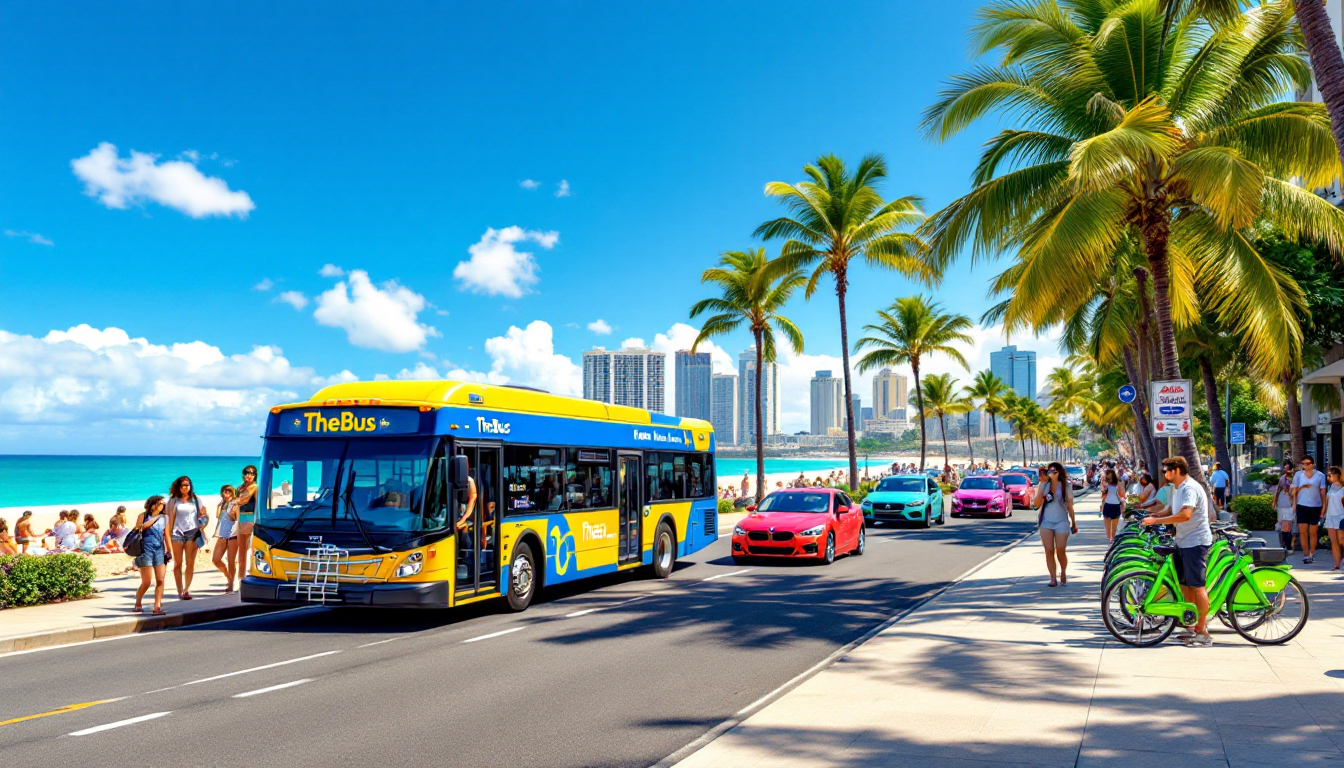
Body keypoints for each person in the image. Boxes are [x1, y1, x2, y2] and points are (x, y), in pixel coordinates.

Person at [1142, 456, 1214, 647]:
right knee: (1185, 584)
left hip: (1195, 542)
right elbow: (1171, 509)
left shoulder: (1189, 488)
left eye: (1166, 471)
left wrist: (1157, 522)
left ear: (1176, 471)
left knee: (1197, 586)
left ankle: (1202, 630)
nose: (1164, 474)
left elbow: (1185, 514)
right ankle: (1190, 626)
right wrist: (1157, 515)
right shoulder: (1178, 488)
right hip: (1183, 541)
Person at [1032, 461, 1077, 587]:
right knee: (1048, 550)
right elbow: (1036, 504)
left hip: (1061, 521)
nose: (1051, 473)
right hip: (1046, 521)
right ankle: (1052, 577)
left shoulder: (1066, 485)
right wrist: (1041, 493)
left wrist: (1074, 522)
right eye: (1049, 471)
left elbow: (1069, 505)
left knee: (1060, 550)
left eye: (1054, 471)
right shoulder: (1044, 484)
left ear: (1059, 473)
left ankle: (1063, 571)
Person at [166, 476, 205, 600]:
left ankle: (186, 589)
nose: (185, 487)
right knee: (178, 564)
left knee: (190, 563)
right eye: (183, 485)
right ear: (178, 486)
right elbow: (169, 521)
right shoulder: (172, 501)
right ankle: (179, 590)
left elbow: (201, 516)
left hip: (192, 532)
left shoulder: (195, 499)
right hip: (177, 533)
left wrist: (204, 518)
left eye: (187, 485)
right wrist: (167, 537)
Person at [132, 496, 169, 615]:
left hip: (159, 550)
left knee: (160, 580)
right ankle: (138, 601)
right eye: (160, 503)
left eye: (163, 504)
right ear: (152, 505)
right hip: (145, 550)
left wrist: (169, 551)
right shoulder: (142, 516)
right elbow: (138, 529)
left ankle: (157, 607)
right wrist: (155, 518)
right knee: (146, 582)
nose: (162, 506)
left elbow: (167, 535)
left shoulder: (165, 518)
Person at [1291, 457, 1327, 564]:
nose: (1305, 466)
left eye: (1308, 464)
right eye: (1303, 464)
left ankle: (1312, 553)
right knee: (1302, 532)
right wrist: (1301, 487)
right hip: (1301, 505)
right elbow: (1293, 491)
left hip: (1316, 506)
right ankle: (1306, 555)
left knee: (1313, 532)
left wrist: (1324, 506)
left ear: (1313, 464)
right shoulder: (1298, 475)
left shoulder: (1320, 475)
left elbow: (1323, 492)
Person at [233, 465, 258, 592]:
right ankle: (240, 579)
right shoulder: (240, 487)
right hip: (241, 518)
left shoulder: (254, 487)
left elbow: (243, 500)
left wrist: (232, 501)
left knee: (248, 551)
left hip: (250, 519)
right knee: (241, 552)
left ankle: (248, 577)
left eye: (252, 473)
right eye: (247, 473)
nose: (249, 475)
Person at [212, 485, 239, 593]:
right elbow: (218, 517)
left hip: (233, 536)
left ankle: (231, 583)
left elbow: (239, 521)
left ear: (232, 493)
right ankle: (229, 578)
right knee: (216, 559)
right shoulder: (222, 504)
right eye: (224, 492)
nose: (225, 494)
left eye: (228, 492)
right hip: (222, 535)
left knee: (231, 561)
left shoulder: (235, 505)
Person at [1273, 461, 1297, 552]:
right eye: (1284, 468)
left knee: (1288, 526)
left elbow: (1294, 495)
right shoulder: (1282, 478)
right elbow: (1278, 490)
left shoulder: (1294, 480)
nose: (1285, 470)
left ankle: (1288, 546)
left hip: (1289, 506)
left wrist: (1294, 505)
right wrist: (1275, 501)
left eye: (1287, 468)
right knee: (1283, 526)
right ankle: (1284, 545)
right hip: (1281, 505)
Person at [1324, 467, 1344, 572]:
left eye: (1330, 475)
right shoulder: (1331, 487)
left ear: (1338, 475)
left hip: (1341, 517)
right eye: (1328, 475)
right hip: (1330, 517)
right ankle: (1337, 565)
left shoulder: (1343, 488)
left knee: (1341, 541)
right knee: (1333, 542)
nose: (1328, 477)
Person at [1100, 469, 1126, 542]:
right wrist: (1102, 506)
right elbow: (1103, 497)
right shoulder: (1106, 485)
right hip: (1107, 505)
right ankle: (1109, 539)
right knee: (1107, 525)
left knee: (1114, 525)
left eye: (1109, 477)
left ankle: (1113, 538)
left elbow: (1123, 496)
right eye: (1107, 478)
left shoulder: (1119, 484)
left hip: (1116, 505)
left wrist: (1123, 505)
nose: (1108, 479)